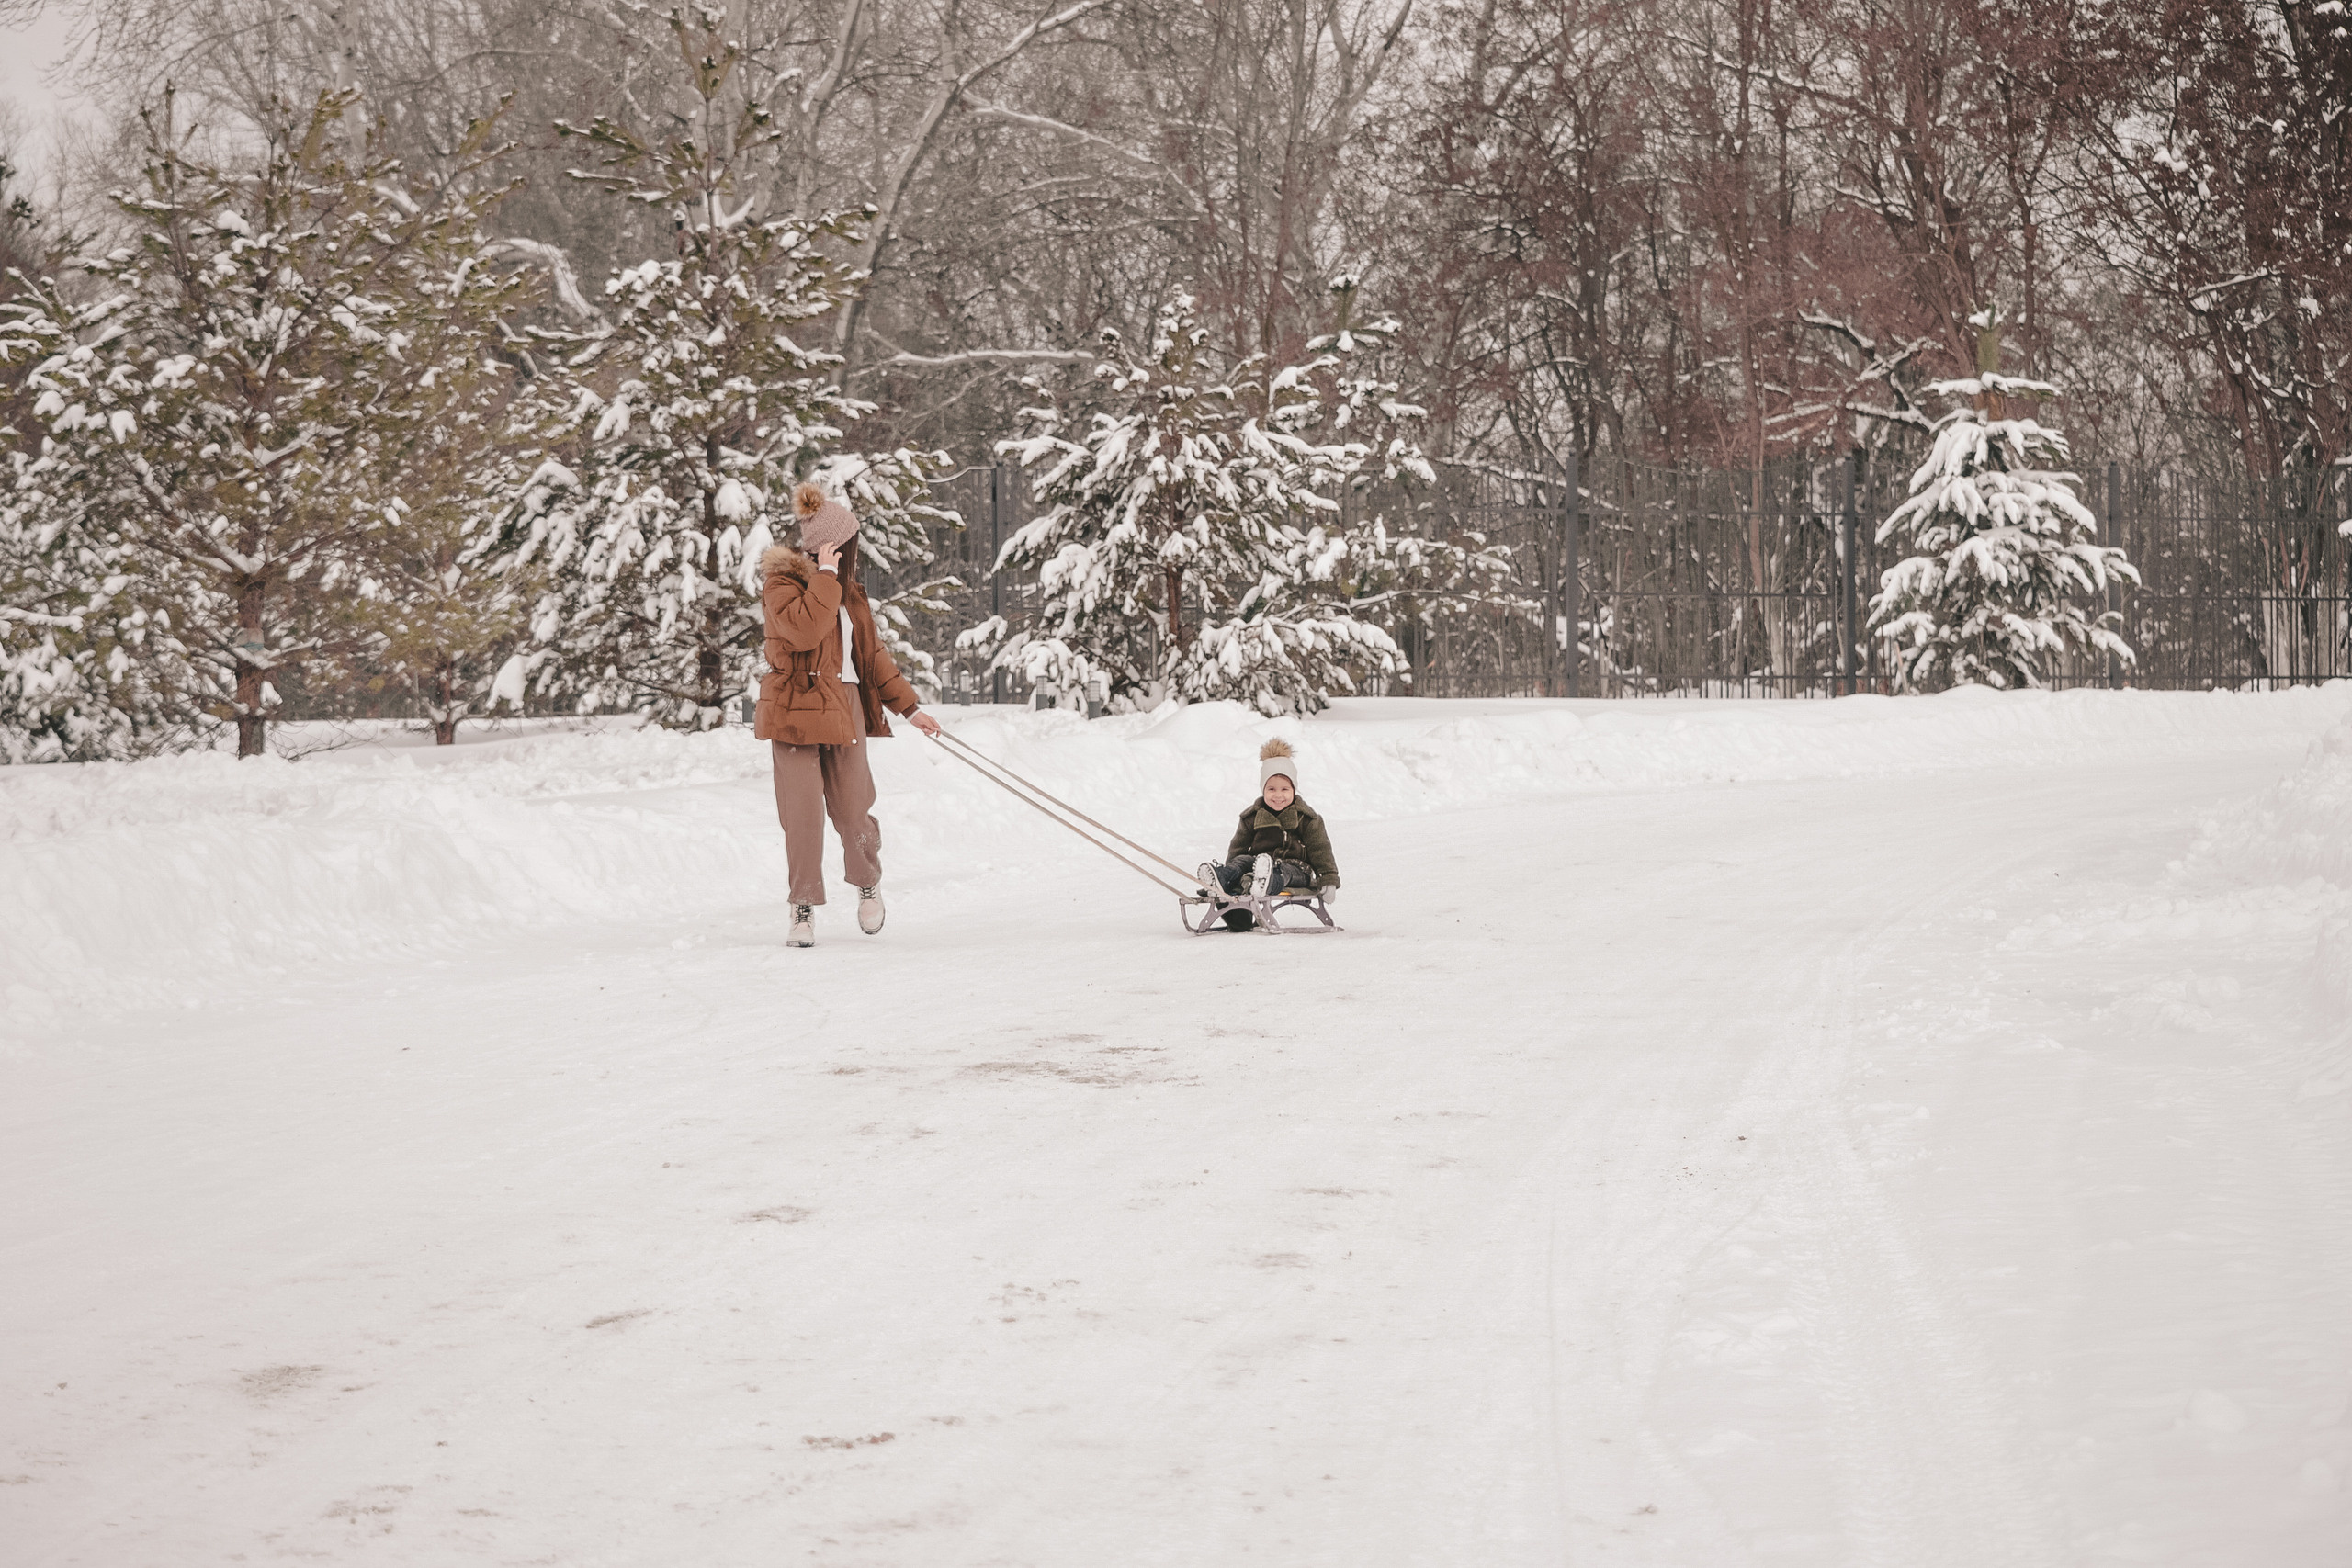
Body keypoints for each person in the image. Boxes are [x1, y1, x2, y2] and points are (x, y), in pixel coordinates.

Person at [753, 481, 943, 948]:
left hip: (845, 709)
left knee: (855, 811)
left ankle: (866, 882)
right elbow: (803, 631)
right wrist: (824, 574)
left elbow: (872, 656)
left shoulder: (849, 593)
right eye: (844, 544)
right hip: (794, 712)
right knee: (802, 816)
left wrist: (910, 708)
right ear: (828, 546)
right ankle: (802, 908)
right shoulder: (781, 585)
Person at [1197, 739, 1340, 930]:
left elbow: (1320, 849)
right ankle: (1222, 880)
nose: (1278, 795)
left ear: (1294, 790)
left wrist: (1328, 879)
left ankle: (1268, 880)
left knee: (1283, 872)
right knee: (1243, 860)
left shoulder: (1306, 818)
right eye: (1271, 789)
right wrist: (1234, 876)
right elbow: (1237, 849)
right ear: (1263, 789)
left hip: (1296, 870)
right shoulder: (1252, 817)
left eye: (1285, 789)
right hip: (1257, 866)